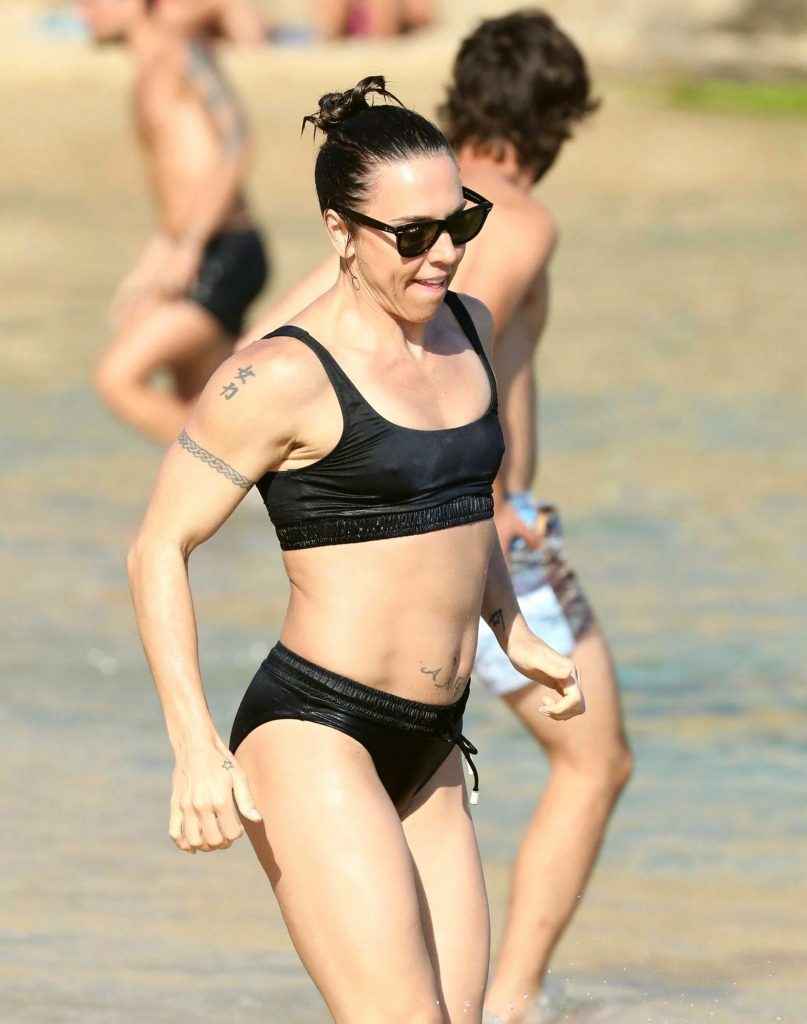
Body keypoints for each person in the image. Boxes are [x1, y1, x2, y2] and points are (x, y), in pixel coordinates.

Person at [127, 76, 584, 1024]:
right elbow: (159, 548)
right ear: (340, 231)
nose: (443, 253)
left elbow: (461, 506)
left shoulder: (468, 330)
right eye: (411, 235)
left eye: (459, 223)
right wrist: (194, 747)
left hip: (433, 742)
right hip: (315, 730)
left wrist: (511, 628)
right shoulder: (278, 377)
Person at [237, 12, 633, 1023]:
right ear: (560, 118)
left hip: (428, 521)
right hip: (475, 522)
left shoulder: (397, 203)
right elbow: (432, 359)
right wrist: (489, 507)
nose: (446, 249)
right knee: (595, 759)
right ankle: (515, 995)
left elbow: (264, 344)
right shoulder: (506, 218)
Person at [81, 0, 269, 445]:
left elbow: (237, 143)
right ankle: (245, 481)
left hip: (226, 248)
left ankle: (214, 469)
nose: (84, 10)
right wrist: (149, 269)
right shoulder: (145, 73)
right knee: (204, 408)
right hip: (194, 247)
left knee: (117, 377)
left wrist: (191, 246)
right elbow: (176, 190)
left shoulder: (183, 53)